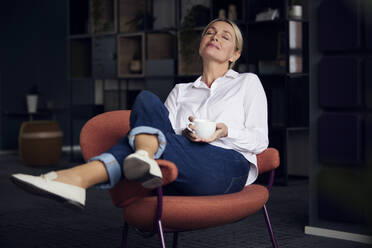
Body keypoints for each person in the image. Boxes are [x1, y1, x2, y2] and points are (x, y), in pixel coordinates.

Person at [10, 18, 268, 210]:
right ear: (201, 45)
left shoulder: (247, 83)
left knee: (145, 139)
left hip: (227, 167)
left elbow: (260, 140)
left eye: (225, 36)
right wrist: (184, 136)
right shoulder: (180, 91)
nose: (215, 37)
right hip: (180, 167)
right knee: (146, 100)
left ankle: (82, 176)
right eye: (210, 33)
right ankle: (143, 157)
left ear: (235, 54)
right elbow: (162, 134)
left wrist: (225, 131)